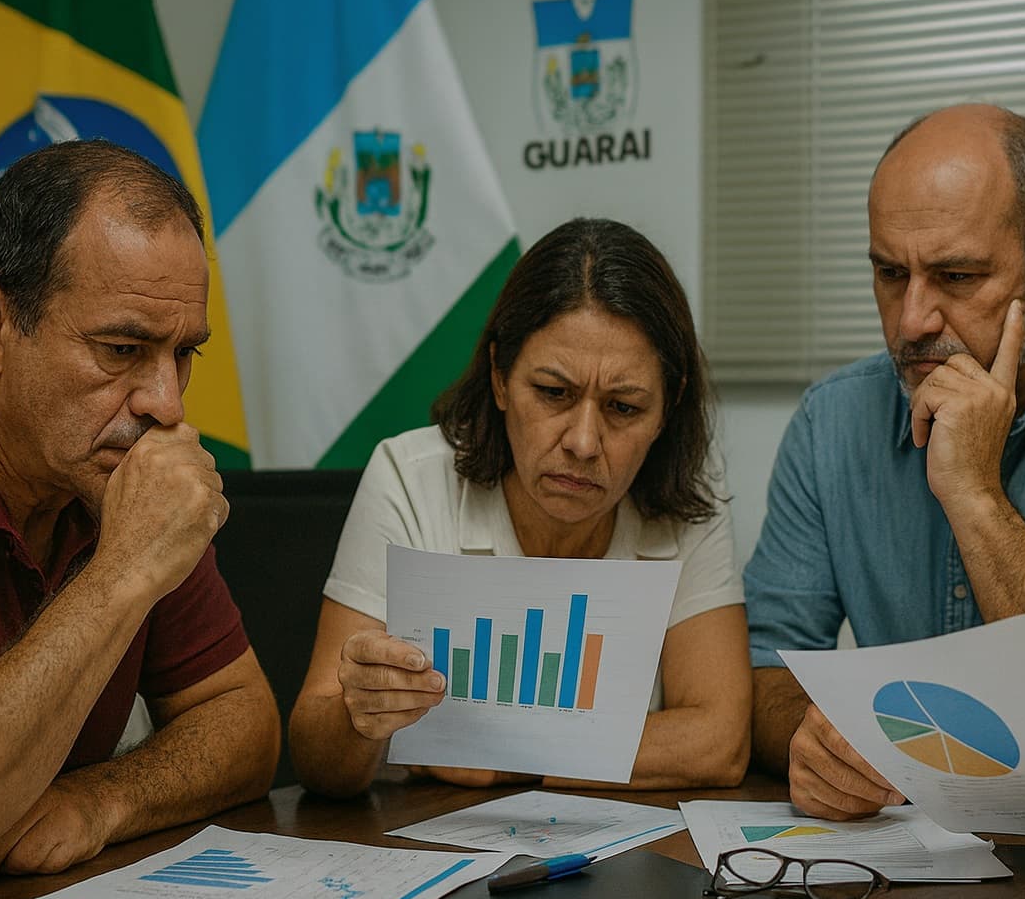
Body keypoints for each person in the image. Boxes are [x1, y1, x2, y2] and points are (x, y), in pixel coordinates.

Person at [747, 103, 1025, 820]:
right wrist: (812, 739)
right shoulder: (833, 421)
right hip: (899, 861)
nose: (913, 318)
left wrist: (975, 494)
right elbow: (766, 663)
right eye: (890, 273)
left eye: (955, 276)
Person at [289, 217, 750, 797]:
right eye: (554, 394)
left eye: (624, 408)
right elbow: (317, 760)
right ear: (501, 377)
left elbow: (719, 742)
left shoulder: (688, 497)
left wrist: (493, 751)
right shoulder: (410, 478)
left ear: (667, 409)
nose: (583, 442)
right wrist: (359, 715)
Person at [0, 141, 280, 874]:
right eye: (120, 349)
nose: (165, 405)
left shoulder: (115, 471)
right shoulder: (131, 498)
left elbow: (245, 724)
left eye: (183, 354)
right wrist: (124, 573)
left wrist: (102, 800)